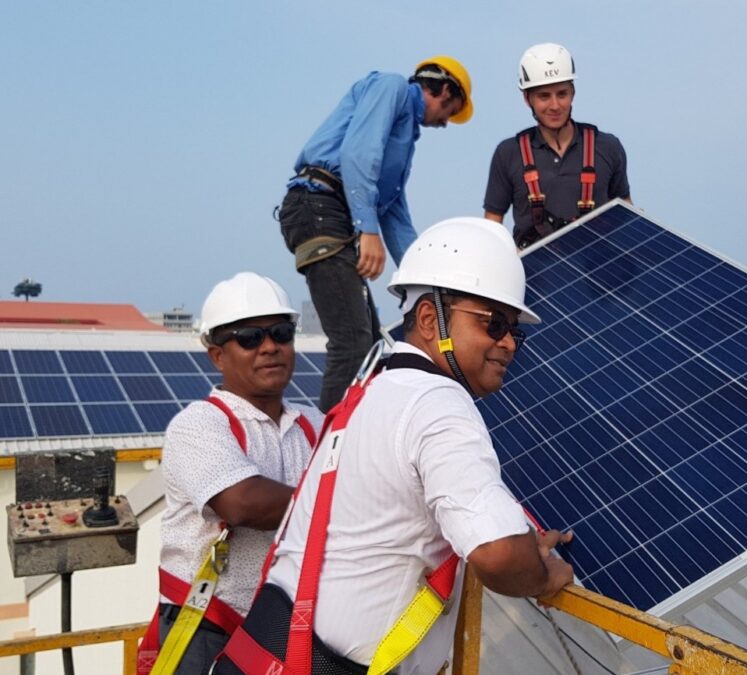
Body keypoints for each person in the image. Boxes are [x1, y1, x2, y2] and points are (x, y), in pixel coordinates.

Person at [216, 218, 574, 675]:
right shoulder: (438, 403)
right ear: (429, 319)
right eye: (493, 323)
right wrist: (543, 576)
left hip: (265, 653)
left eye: (514, 332)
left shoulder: (366, 393)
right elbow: (499, 555)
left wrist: (515, 541)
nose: (507, 343)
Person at [136, 272, 322, 675]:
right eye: (250, 338)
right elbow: (242, 503)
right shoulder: (199, 425)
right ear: (218, 356)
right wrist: (338, 503)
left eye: (281, 332)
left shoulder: (314, 424)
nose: (270, 347)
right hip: (208, 626)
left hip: (282, 625)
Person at [279, 56, 473, 412]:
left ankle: (354, 437)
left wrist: (427, 280)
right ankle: (329, 452)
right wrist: (366, 228)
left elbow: (395, 213)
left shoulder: (405, 136)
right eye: (451, 112)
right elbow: (357, 155)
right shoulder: (393, 87)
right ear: (445, 90)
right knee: (352, 342)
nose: (445, 124)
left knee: (369, 345)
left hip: (335, 211)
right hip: (319, 206)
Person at [483, 43, 630, 248]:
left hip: (597, 271)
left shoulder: (607, 147)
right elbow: (492, 224)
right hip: (533, 275)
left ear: (573, 93)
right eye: (544, 96)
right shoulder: (508, 153)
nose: (555, 106)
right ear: (527, 98)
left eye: (562, 94)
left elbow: (625, 213)